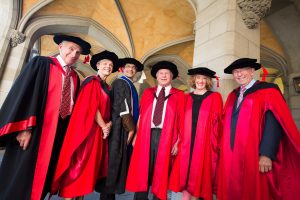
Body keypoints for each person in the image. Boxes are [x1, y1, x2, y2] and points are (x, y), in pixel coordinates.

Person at [0, 34, 91, 200]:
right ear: (60, 47)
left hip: (58, 133)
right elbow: (26, 94)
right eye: (71, 49)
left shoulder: (75, 77)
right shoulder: (41, 64)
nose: (74, 54)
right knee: (23, 175)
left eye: (78, 52)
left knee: (46, 174)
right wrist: (25, 128)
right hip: (36, 130)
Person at [217, 58, 300, 200]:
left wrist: (266, 154)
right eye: (235, 72)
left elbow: (274, 122)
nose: (239, 74)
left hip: (254, 153)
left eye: (242, 70)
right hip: (233, 154)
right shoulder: (233, 95)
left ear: (252, 71)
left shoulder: (268, 90)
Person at [50, 50, 119, 200]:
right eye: (105, 64)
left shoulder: (108, 87)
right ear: (98, 65)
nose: (108, 66)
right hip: (87, 131)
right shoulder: (92, 81)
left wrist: (109, 124)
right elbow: (91, 107)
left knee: (88, 170)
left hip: (99, 134)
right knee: (79, 166)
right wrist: (104, 126)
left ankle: (78, 197)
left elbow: (113, 110)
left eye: (111, 65)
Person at [126, 61, 185, 200]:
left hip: (167, 136)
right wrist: (135, 136)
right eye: (161, 73)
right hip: (146, 134)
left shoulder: (180, 95)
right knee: (143, 168)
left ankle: (158, 197)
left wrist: (178, 141)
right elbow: (141, 115)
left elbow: (182, 120)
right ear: (156, 76)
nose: (163, 75)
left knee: (161, 170)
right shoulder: (148, 93)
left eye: (167, 73)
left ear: (172, 77)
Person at [170, 67, 223, 200]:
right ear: (194, 80)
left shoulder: (215, 97)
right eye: (198, 78)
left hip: (205, 141)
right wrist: (177, 141)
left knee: (201, 172)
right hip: (186, 141)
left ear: (208, 81)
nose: (201, 81)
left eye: (204, 78)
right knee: (185, 173)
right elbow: (179, 121)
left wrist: (216, 143)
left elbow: (218, 122)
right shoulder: (186, 97)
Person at [96, 58, 144, 200]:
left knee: (116, 165)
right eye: (128, 67)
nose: (131, 69)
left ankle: (108, 196)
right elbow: (122, 108)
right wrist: (130, 130)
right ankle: (106, 196)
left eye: (133, 68)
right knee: (113, 164)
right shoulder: (120, 82)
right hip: (119, 129)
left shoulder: (128, 84)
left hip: (122, 128)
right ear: (122, 69)